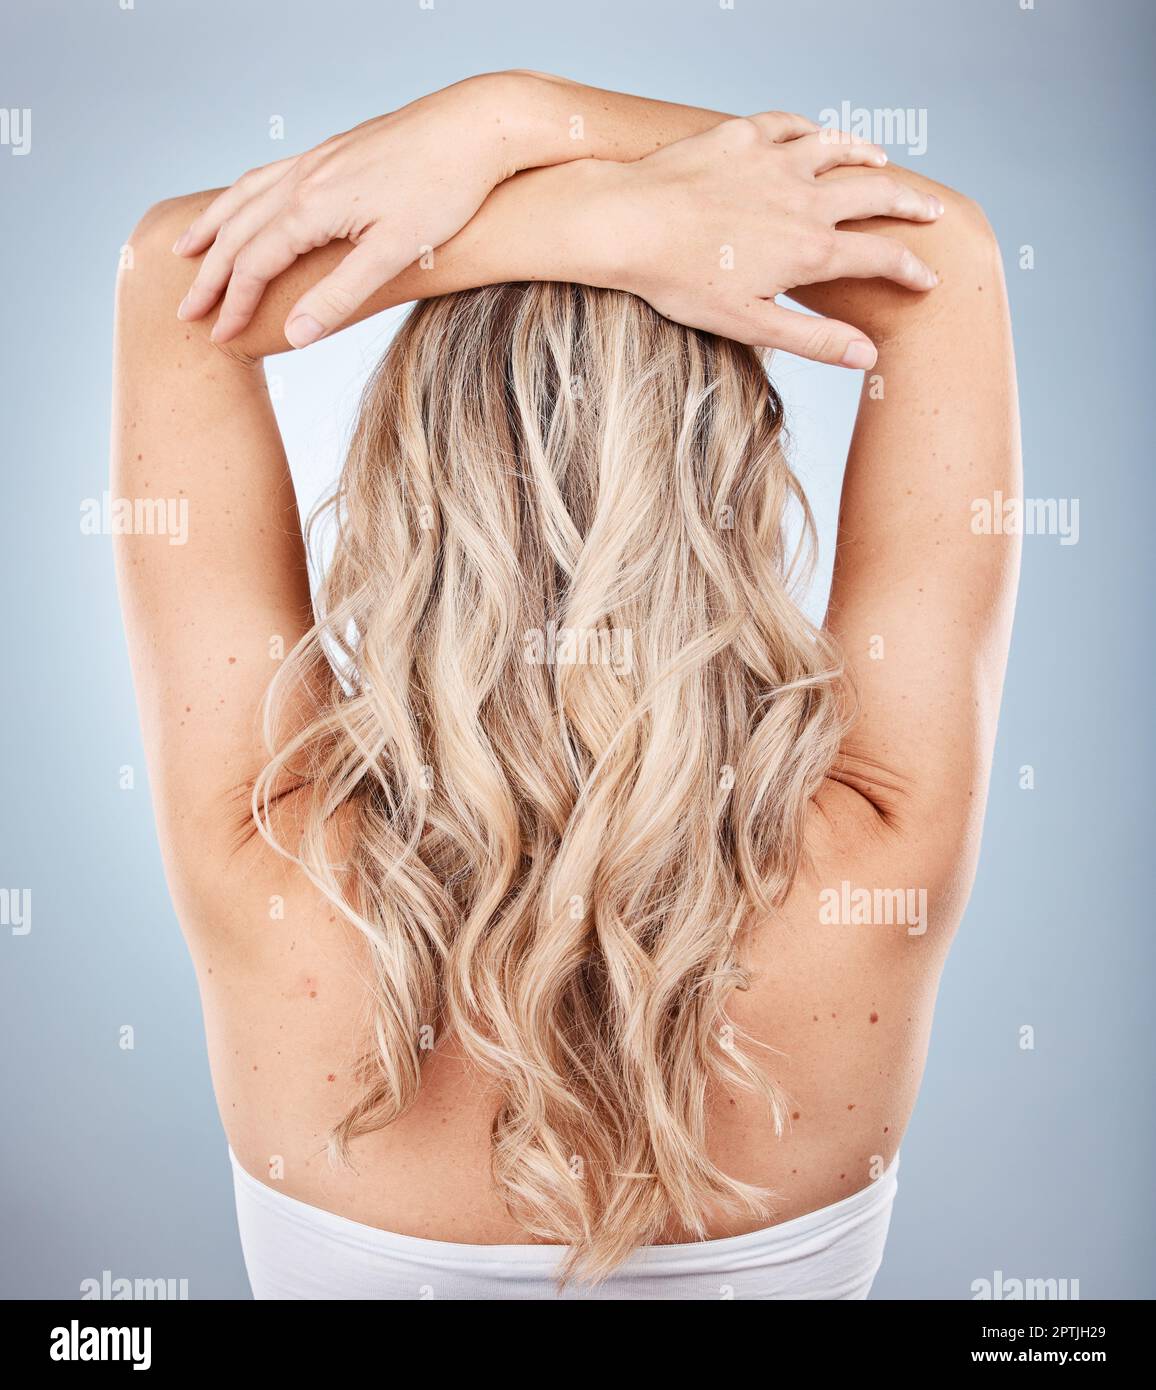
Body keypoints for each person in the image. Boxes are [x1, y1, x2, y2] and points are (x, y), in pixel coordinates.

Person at [113, 71, 1019, 1299]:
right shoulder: (876, 846)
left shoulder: (268, 849)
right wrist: (534, 134)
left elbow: (177, 280)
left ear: (401, 474)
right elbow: (945, 259)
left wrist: (551, 196)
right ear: (730, 489)